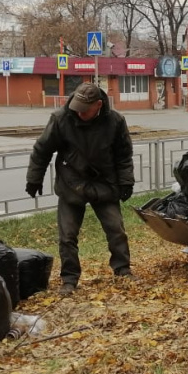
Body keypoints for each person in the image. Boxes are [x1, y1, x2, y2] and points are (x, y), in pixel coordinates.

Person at [25, 82, 135, 294]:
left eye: (85, 110)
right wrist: (34, 178)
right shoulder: (61, 119)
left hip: (104, 182)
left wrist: (126, 181)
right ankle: (69, 279)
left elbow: (123, 155)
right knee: (67, 235)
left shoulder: (115, 121)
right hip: (71, 183)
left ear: (99, 105)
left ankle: (122, 269)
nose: (79, 113)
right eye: (77, 107)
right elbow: (42, 150)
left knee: (116, 229)